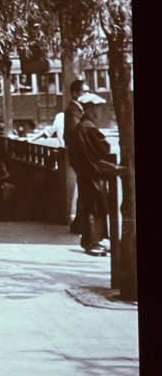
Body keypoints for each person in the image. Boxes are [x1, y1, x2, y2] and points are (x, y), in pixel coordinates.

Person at [65, 91, 121, 256]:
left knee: (91, 205)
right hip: (93, 173)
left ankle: (93, 240)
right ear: (89, 109)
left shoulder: (82, 127)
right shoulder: (88, 128)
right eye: (97, 108)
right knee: (95, 206)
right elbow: (103, 149)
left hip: (86, 172)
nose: (99, 112)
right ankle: (93, 241)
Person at [65, 79, 90, 234]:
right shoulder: (73, 110)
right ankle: (80, 224)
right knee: (85, 189)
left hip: (79, 156)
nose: (87, 94)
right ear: (75, 93)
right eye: (84, 91)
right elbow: (77, 134)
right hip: (80, 157)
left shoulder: (77, 109)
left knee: (84, 190)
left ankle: (80, 224)